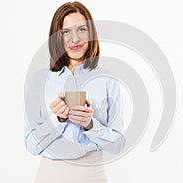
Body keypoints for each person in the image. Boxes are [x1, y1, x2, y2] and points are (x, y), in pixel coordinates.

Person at [24, 1, 125, 182]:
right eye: (66, 32)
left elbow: (118, 145)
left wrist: (90, 124)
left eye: (81, 30)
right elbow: (31, 146)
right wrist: (58, 121)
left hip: (92, 174)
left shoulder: (107, 80)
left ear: (91, 33)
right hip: (50, 174)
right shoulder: (38, 81)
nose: (75, 39)